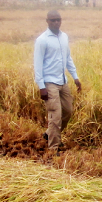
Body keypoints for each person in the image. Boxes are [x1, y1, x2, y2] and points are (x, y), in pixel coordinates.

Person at [34, 11, 83, 154]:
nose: (56, 22)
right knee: (55, 115)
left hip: (62, 81)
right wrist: (41, 87)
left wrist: (75, 77)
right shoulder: (42, 40)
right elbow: (37, 64)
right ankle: (54, 148)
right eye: (53, 20)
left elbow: (68, 58)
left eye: (58, 20)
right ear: (47, 21)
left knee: (68, 111)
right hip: (49, 82)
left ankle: (49, 133)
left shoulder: (64, 37)